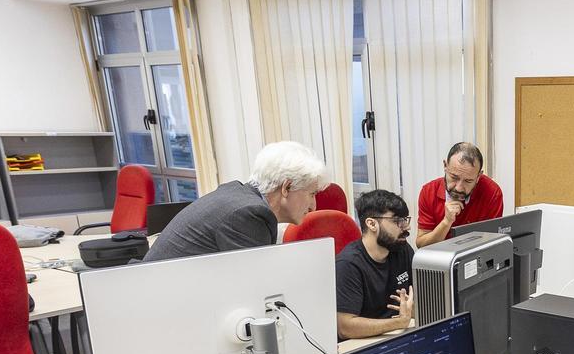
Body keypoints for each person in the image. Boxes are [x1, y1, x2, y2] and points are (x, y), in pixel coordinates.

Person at [144, 141, 327, 262]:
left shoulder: (239, 196)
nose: (314, 206)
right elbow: (254, 287)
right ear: (286, 188)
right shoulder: (248, 214)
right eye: (312, 194)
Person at [336, 189, 416, 340]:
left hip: (399, 334)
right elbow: (345, 328)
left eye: (405, 219)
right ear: (372, 224)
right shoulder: (348, 264)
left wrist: (412, 312)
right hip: (363, 343)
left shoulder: (402, 249)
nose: (407, 227)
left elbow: (416, 300)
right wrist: (399, 322)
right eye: (397, 220)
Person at [415, 142, 504, 247]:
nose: (459, 188)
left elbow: (492, 243)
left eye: (468, 181)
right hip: (440, 258)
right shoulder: (429, 192)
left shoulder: (492, 192)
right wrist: (446, 222)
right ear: (445, 166)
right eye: (454, 177)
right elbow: (421, 245)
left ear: (478, 176)